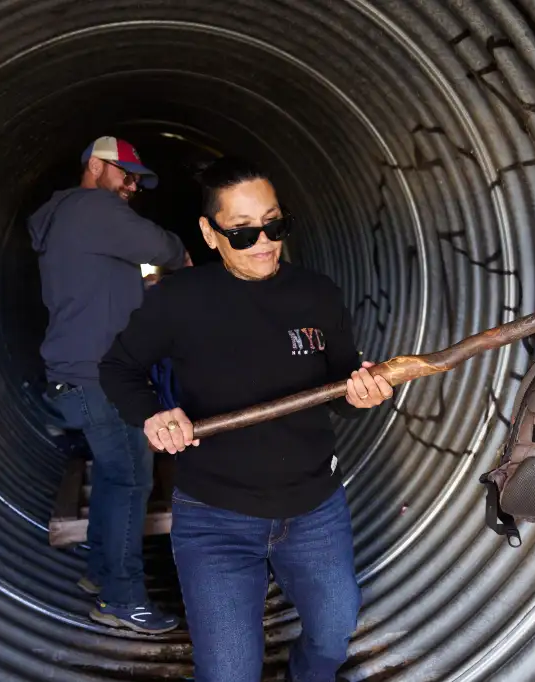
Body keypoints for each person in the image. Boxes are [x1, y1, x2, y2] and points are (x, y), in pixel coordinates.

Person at [99, 156, 393, 682]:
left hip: (315, 510)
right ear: (209, 235)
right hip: (216, 518)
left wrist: (363, 392)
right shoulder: (179, 300)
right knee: (229, 670)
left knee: (334, 627)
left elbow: (342, 386)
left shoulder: (317, 294)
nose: (263, 242)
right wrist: (153, 415)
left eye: (274, 225)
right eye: (242, 232)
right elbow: (119, 368)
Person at [27, 135, 190, 634]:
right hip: (99, 376)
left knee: (115, 477)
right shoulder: (94, 207)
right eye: (126, 173)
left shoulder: (67, 218)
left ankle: (101, 575)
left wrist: (144, 289)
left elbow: (96, 289)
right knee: (131, 480)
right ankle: (123, 598)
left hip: (79, 371)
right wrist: (181, 260)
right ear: (96, 165)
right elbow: (165, 247)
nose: (133, 185)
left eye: (138, 178)